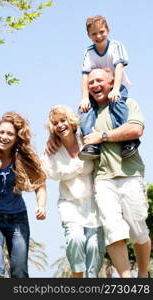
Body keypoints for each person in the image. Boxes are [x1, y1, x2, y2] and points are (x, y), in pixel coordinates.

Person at [45, 68, 151, 278]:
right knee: (113, 232)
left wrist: (102, 136)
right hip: (102, 179)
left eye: (99, 81)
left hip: (130, 174)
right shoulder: (87, 115)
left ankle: (143, 274)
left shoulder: (127, 105)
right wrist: (52, 136)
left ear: (112, 82)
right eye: (90, 82)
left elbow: (136, 130)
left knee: (138, 230)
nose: (94, 85)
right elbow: (66, 129)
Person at [0, 111, 47, 278]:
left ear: (16, 138)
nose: (4, 137)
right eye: (1, 132)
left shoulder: (22, 158)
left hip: (18, 219)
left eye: (10, 134)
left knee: (19, 273)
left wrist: (41, 205)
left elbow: (40, 184)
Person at [42, 105, 105, 278]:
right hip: (70, 203)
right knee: (76, 240)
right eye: (55, 123)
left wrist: (71, 169)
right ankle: (78, 276)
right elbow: (52, 173)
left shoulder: (84, 138)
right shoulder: (52, 149)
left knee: (93, 246)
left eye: (63, 120)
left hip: (94, 203)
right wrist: (79, 165)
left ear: (71, 122)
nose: (60, 125)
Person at [78, 15, 140, 160]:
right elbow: (85, 75)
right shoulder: (89, 52)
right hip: (99, 86)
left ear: (108, 30)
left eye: (101, 32)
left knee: (116, 102)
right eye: (94, 34)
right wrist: (85, 98)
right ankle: (91, 143)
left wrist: (116, 89)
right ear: (89, 36)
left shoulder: (115, 46)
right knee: (85, 109)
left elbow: (119, 67)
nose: (98, 36)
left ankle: (127, 140)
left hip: (116, 84)